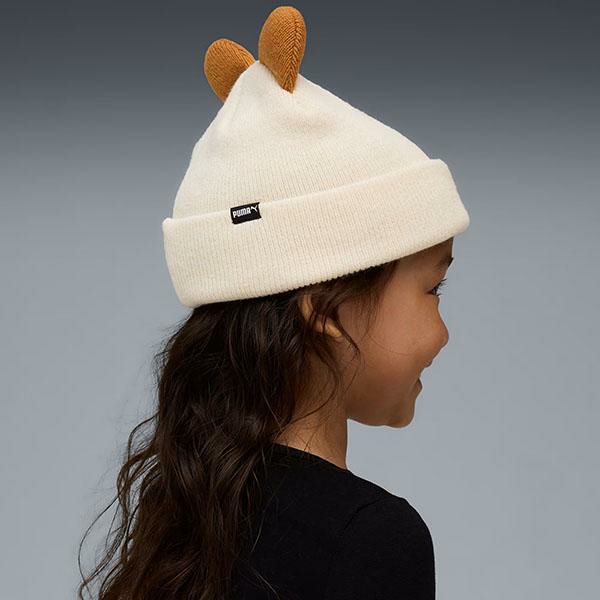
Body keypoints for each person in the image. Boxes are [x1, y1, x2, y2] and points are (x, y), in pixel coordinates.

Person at [78, 5, 469, 600]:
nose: (443, 333)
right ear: (325, 309)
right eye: (431, 289)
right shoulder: (372, 540)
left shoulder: (185, 518)